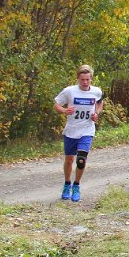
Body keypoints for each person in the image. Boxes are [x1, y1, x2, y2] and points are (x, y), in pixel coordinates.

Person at [54, 64, 104, 202]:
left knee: (81, 159)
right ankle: (67, 184)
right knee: (69, 159)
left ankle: (76, 186)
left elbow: (100, 102)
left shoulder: (96, 91)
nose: (85, 82)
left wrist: (96, 113)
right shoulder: (69, 91)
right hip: (71, 130)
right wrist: (65, 111)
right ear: (78, 79)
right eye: (82, 79)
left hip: (87, 130)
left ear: (91, 79)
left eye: (87, 79)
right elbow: (56, 104)